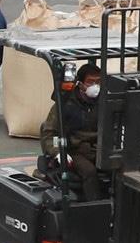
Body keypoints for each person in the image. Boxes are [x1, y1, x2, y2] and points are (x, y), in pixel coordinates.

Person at [41, 62, 103, 197]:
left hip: (99, 148)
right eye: (91, 82)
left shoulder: (104, 102)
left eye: (98, 82)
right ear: (80, 84)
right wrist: (58, 152)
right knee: (89, 171)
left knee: (121, 167)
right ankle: (95, 208)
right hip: (75, 151)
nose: (95, 86)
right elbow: (50, 133)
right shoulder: (65, 104)